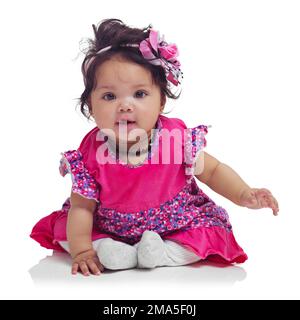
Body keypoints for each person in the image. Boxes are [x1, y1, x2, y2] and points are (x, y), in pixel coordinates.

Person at [30, 18, 279, 276]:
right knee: (68, 232)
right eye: (109, 96)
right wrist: (82, 251)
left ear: (161, 101)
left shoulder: (175, 138)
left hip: (175, 224)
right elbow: (82, 207)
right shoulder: (91, 153)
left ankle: (164, 253)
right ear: (91, 108)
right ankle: (109, 250)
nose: (125, 106)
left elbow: (213, 172)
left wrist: (244, 193)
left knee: (206, 233)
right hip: (109, 226)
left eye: (139, 94)